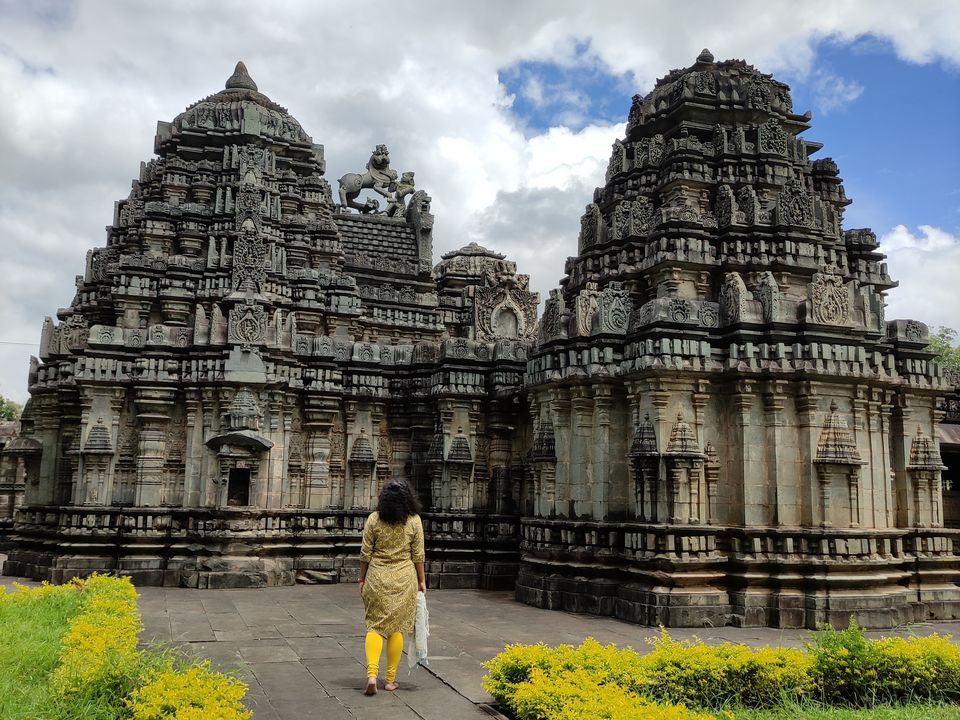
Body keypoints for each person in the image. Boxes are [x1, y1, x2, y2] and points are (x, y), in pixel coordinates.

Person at [359, 480, 427, 695]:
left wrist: (361, 578)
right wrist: (422, 580)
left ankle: (371, 675)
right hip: (404, 579)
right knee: (397, 628)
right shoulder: (414, 521)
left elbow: (365, 553)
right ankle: (389, 680)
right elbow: (418, 555)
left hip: (377, 577)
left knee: (375, 626)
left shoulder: (374, 519)